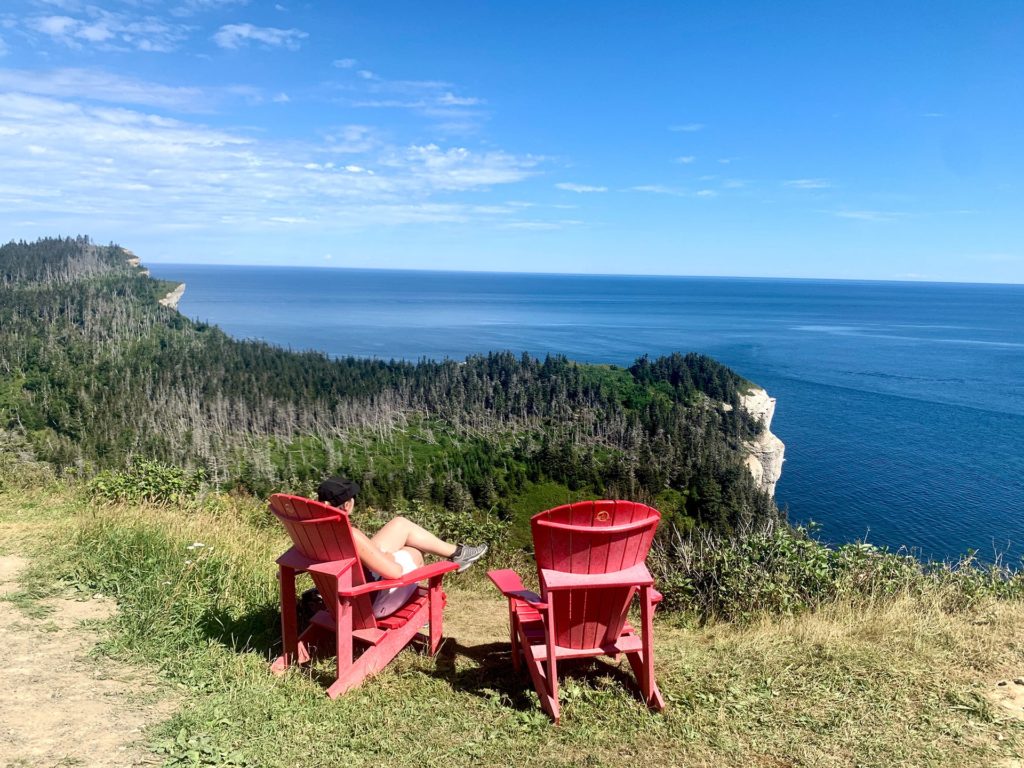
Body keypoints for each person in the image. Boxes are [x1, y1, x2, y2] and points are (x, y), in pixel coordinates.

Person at [316, 476, 488, 618]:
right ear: (347, 505)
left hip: (342, 593)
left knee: (400, 524)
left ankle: (459, 553)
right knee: (415, 553)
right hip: (366, 605)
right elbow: (394, 573)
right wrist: (388, 557)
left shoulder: (314, 532)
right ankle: (457, 556)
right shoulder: (351, 535)